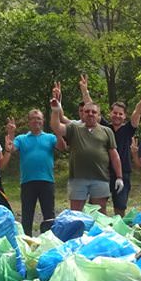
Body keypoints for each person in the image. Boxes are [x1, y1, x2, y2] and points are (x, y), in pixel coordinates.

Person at [79, 75, 141, 216]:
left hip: (123, 172)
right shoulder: (104, 127)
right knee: (99, 207)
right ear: (110, 113)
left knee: (120, 207)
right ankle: (102, 232)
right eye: (115, 113)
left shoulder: (128, 129)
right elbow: (91, 108)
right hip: (103, 172)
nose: (117, 116)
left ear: (124, 116)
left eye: (120, 114)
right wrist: (84, 90)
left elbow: (138, 111)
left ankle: (118, 234)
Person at [49, 82, 124, 214]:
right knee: (76, 214)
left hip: (100, 178)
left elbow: (114, 155)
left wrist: (119, 177)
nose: (90, 114)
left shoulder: (107, 131)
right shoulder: (74, 128)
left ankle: (99, 235)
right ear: (82, 114)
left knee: (100, 215)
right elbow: (56, 127)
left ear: (98, 115)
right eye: (87, 111)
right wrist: (55, 110)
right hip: (78, 179)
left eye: (94, 112)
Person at [4, 110, 64, 235]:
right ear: (28, 122)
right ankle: (27, 241)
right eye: (33, 118)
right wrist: (11, 133)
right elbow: (11, 148)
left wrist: (58, 132)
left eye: (38, 118)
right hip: (28, 182)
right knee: (27, 215)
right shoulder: (21, 139)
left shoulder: (50, 137)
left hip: (47, 181)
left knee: (49, 215)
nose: (36, 121)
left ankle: (49, 240)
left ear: (43, 121)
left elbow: (62, 147)